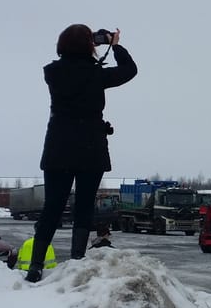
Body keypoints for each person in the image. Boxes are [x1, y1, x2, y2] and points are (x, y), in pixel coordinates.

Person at [22, 26, 137, 282]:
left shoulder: (52, 72)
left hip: (58, 147)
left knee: (52, 206)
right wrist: (115, 44)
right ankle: (76, 261)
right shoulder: (96, 75)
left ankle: (35, 266)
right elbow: (129, 71)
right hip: (90, 147)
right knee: (84, 206)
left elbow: (73, 71)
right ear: (89, 45)